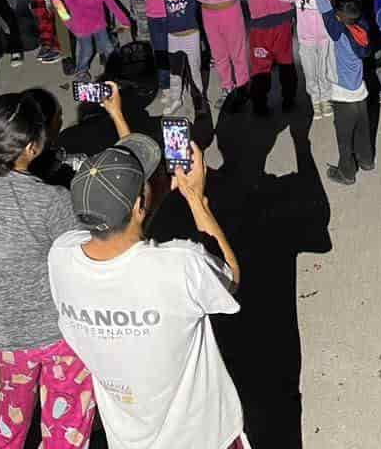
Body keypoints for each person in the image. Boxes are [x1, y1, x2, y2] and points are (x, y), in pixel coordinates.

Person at [0, 90, 116, 449]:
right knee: (65, 426)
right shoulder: (49, 200)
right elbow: (81, 258)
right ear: (33, 147)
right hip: (58, 334)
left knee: (11, 414)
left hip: (3, 334)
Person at [47, 133, 247, 449]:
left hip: (128, 437)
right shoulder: (181, 264)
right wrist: (195, 198)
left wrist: (155, 196)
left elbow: (122, 240)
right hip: (203, 435)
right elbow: (229, 278)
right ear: (140, 205)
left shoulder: (61, 255)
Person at [309, 0, 373, 185]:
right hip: (360, 92)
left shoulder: (338, 33)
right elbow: (354, 3)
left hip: (343, 95)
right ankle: (367, 160)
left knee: (344, 138)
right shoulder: (361, 26)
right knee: (363, 130)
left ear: (339, 18)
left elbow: (326, 12)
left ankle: (347, 173)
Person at [245, 0, 298, 116]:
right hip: (259, 26)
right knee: (260, 65)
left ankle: (289, 98)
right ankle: (259, 103)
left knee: (285, 61)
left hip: (282, 21)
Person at [144, 0, 202, 116]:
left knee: (194, 71)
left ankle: (199, 100)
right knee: (175, 73)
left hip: (191, 34)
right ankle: (177, 99)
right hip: (173, 36)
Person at [65, 0, 130, 82]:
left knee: (108, 48)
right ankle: (81, 72)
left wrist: (125, 21)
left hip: (99, 24)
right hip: (82, 28)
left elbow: (114, 6)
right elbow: (66, 12)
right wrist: (71, 25)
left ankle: (115, 70)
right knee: (87, 51)